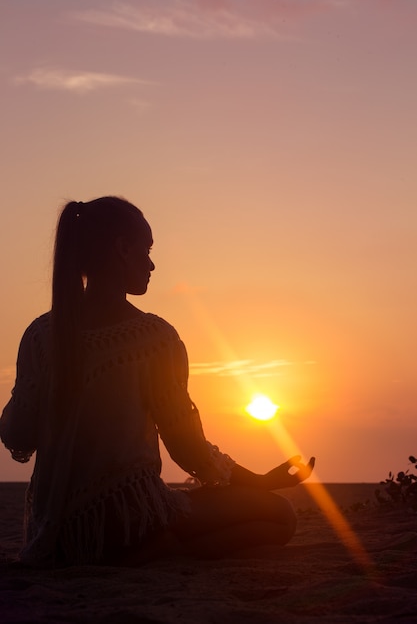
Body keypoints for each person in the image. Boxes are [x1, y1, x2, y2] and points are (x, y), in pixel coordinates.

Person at [0, 196, 315, 568]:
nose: (151, 264)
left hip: (57, 535)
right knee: (279, 515)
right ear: (122, 249)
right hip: (130, 520)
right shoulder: (153, 339)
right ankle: (167, 552)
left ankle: (160, 547)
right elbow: (188, 448)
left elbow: (17, 436)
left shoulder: (40, 335)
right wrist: (260, 481)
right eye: (146, 250)